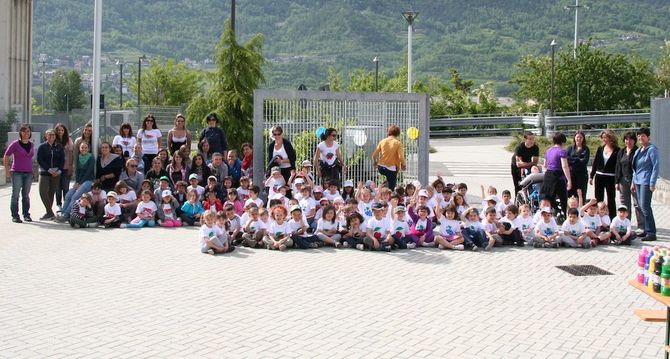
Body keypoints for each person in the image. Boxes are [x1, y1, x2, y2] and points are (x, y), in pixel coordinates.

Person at [632, 127, 660, 242]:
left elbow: (655, 167)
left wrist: (652, 183)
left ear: (648, 137)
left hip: (646, 182)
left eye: (643, 136)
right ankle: (644, 229)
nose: (640, 138)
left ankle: (651, 232)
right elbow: (635, 168)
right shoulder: (639, 150)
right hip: (638, 181)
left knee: (645, 206)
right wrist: (633, 182)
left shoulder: (652, 149)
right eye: (639, 136)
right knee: (640, 206)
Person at [4, 124, 35, 223]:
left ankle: (26, 214)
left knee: (26, 195)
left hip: (28, 172)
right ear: (20, 132)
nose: (26, 133)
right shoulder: (15, 144)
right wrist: (7, 169)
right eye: (24, 131)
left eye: (28, 131)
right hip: (17, 172)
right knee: (15, 194)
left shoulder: (31, 144)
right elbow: (6, 155)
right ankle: (15, 215)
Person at [58, 141, 96, 222]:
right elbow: (77, 172)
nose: (84, 149)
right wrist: (77, 182)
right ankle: (63, 212)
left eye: (86, 148)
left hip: (88, 181)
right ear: (79, 148)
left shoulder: (91, 158)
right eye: (82, 147)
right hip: (79, 182)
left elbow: (88, 172)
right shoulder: (78, 157)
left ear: (88, 149)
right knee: (68, 195)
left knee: (75, 196)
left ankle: (67, 214)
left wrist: (80, 183)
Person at [615, 131, 644, 234]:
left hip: (634, 180)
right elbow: (618, 166)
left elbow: (637, 168)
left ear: (634, 141)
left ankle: (641, 226)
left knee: (637, 204)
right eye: (627, 139)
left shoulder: (637, 151)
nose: (629, 141)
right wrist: (617, 181)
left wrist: (634, 181)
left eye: (631, 139)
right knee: (624, 204)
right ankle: (625, 225)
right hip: (623, 180)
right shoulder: (621, 151)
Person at [540, 132, 572, 218]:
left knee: (549, 197)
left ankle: (555, 211)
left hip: (548, 175)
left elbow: (545, 165)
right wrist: (569, 180)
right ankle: (564, 214)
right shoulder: (562, 151)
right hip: (558, 176)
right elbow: (564, 166)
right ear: (563, 142)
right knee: (563, 197)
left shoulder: (548, 151)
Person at [590, 129, 619, 219]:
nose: (604, 139)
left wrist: (617, 180)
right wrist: (592, 175)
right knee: (598, 198)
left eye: (606, 137)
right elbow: (595, 163)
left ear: (611, 138)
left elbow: (618, 166)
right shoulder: (600, 149)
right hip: (599, 176)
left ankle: (612, 218)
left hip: (610, 177)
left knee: (611, 199)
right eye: (603, 138)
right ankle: (598, 218)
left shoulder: (617, 150)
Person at [37, 129, 64, 220]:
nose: (51, 136)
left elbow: (62, 160)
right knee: (42, 191)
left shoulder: (59, 147)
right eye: (49, 135)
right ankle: (50, 212)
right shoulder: (42, 146)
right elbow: (40, 160)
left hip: (56, 173)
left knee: (51, 192)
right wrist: (48, 170)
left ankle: (48, 213)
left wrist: (59, 170)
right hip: (44, 172)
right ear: (46, 135)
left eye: (53, 135)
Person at [372, 124, 406, 190]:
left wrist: (375, 161)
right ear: (398, 134)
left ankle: (382, 188)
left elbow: (374, 155)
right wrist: (403, 165)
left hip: (381, 167)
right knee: (391, 188)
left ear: (388, 132)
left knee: (385, 181)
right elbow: (400, 157)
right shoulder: (398, 143)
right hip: (391, 168)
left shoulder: (382, 141)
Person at [510, 131, 539, 196]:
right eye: (530, 139)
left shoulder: (535, 148)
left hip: (527, 163)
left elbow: (535, 162)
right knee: (518, 185)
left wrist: (528, 164)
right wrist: (530, 164)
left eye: (533, 139)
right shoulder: (519, 148)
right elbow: (519, 164)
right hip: (516, 166)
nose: (532, 141)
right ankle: (517, 200)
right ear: (525, 139)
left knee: (531, 182)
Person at [54, 123, 73, 211]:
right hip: (57, 168)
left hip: (66, 167)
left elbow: (71, 154)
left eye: (62, 130)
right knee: (57, 188)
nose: (60, 132)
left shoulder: (69, 140)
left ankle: (66, 205)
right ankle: (58, 204)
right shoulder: (54, 140)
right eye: (58, 130)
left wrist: (70, 166)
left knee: (65, 187)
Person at [566, 131, 589, 199]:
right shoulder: (570, 148)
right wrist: (578, 160)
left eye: (580, 137)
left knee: (581, 194)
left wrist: (573, 160)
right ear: (574, 138)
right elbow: (567, 159)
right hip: (571, 175)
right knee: (570, 194)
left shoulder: (586, 149)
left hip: (582, 175)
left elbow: (584, 162)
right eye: (577, 137)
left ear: (583, 138)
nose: (579, 139)